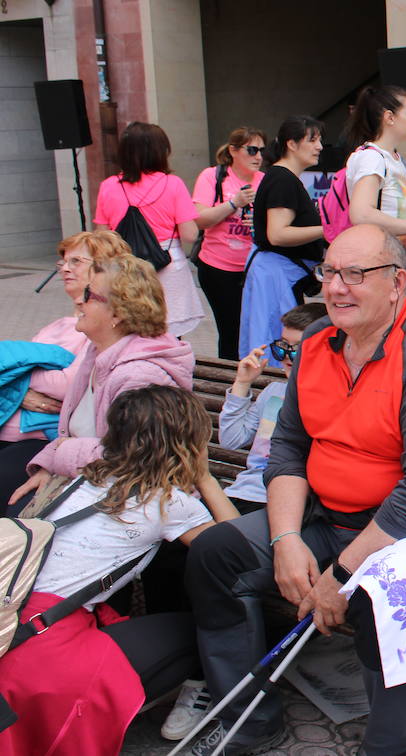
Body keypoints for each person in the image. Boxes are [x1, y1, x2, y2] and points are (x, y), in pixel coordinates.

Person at [185, 225, 406, 756]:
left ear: (397, 282)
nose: (336, 287)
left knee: (389, 595)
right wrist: (285, 539)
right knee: (215, 557)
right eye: (329, 272)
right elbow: (288, 448)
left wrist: (341, 575)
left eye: (356, 274)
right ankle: (249, 718)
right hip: (322, 518)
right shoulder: (315, 343)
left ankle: (395, 744)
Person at [0, 386, 237, 756]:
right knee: (200, 631)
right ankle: (187, 696)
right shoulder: (169, 502)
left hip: (13, 617)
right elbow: (233, 545)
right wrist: (204, 477)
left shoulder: (84, 479)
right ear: (186, 443)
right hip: (46, 655)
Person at [6, 254, 212, 511]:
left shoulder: (139, 376)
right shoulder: (99, 353)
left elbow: (129, 456)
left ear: (119, 313)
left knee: (16, 512)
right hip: (93, 478)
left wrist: (60, 454)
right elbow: (69, 436)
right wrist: (48, 466)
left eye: (90, 294)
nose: (79, 300)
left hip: (133, 496)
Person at [0, 231, 130, 455]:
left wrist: (12, 382)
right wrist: (17, 388)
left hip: (44, 442)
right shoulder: (58, 324)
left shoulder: (103, 327)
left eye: (76, 261)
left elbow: (66, 386)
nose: (65, 268)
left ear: (105, 269)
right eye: (63, 262)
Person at [93, 121, 205, 338]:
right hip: (167, 266)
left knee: (129, 333)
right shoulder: (172, 184)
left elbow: (101, 238)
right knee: (168, 335)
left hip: (124, 268)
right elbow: (190, 234)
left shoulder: (108, 186)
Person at [218, 302, 331, 512]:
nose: (287, 356)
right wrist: (242, 384)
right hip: (241, 493)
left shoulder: (332, 400)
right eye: (283, 346)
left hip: (280, 504)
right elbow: (230, 441)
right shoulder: (274, 392)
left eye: (298, 349)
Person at [238, 115, 325, 358]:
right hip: (276, 277)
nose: (319, 146)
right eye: (313, 140)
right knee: (277, 348)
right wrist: (328, 229)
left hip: (278, 275)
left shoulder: (283, 178)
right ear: (292, 144)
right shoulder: (282, 179)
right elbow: (277, 234)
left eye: (320, 140)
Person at [341, 85, 406, 306]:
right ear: (389, 117)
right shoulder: (371, 158)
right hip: (383, 274)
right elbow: (362, 214)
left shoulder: (393, 159)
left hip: (402, 272)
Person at [193, 126, 265, 360]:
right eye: (252, 150)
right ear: (234, 150)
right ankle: (230, 385)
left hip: (253, 269)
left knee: (255, 331)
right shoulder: (212, 176)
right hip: (218, 268)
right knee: (231, 332)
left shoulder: (265, 180)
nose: (259, 157)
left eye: (262, 151)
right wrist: (234, 203)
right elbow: (200, 220)